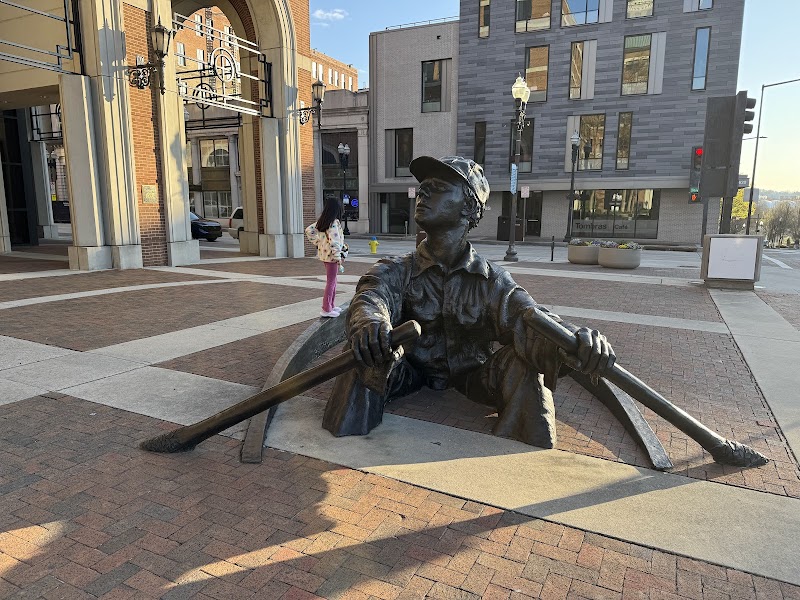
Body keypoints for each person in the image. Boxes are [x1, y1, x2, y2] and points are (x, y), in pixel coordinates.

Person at [322, 156, 615, 448]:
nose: (423, 193)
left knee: (524, 358)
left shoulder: (492, 280)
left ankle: (523, 453)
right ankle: (347, 441)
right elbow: (371, 296)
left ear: (469, 206)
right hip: (407, 371)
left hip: (475, 377)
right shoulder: (396, 270)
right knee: (365, 348)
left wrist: (576, 340)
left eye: (437, 187)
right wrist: (371, 323)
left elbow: (531, 317)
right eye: (422, 188)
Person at [306, 197, 348, 318]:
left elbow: (309, 230)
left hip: (325, 255)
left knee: (332, 281)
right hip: (332, 257)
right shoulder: (334, 222)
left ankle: (331, 306)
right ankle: (326, 308)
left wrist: (318, 243)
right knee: (331, 282)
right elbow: (335, 241)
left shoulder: (324, 221)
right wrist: (338, 256)